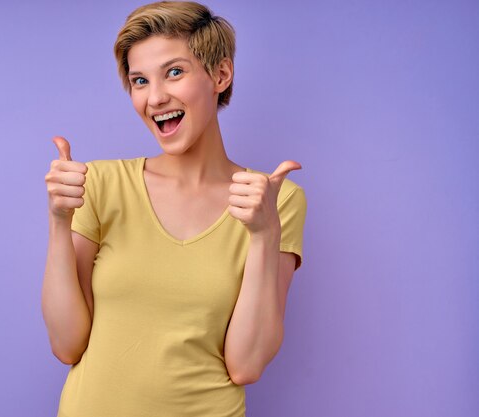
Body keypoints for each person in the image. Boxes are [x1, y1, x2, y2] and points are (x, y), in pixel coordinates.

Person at [41, 1, 307, 416]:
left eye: (175, 72)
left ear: (221, 74)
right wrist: (60, 222)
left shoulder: (275, 200)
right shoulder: (102, 185)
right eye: (140, 81)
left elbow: (246, 364)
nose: (156, 97)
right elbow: (66, 344)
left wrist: (264, 232)